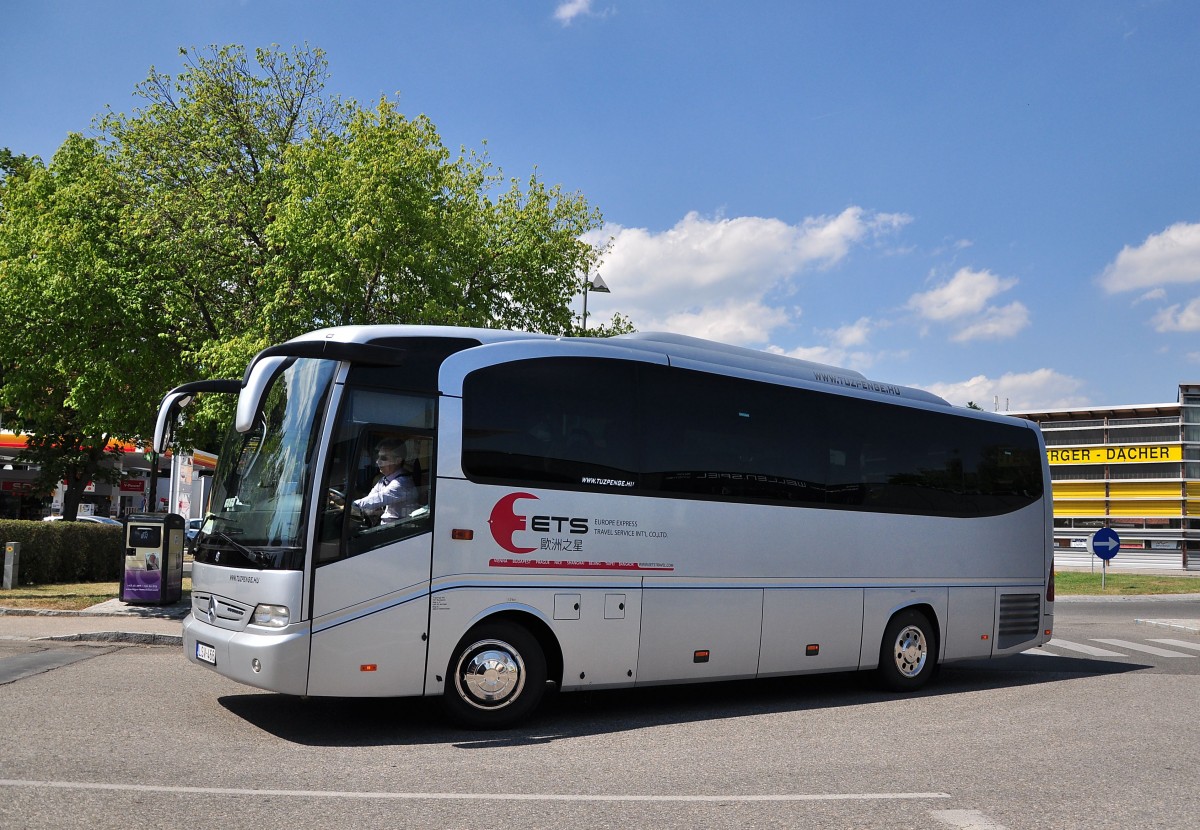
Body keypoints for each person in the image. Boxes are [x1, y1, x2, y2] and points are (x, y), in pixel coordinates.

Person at [353, 438, 419, 524]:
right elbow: (370, 502)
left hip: (398, 531)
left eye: (383, 458)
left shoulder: (402, 483)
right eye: (378, 457)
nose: (377, 462)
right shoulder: (384, 480)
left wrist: (352, 505)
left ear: (398, 460)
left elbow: (378, 498)